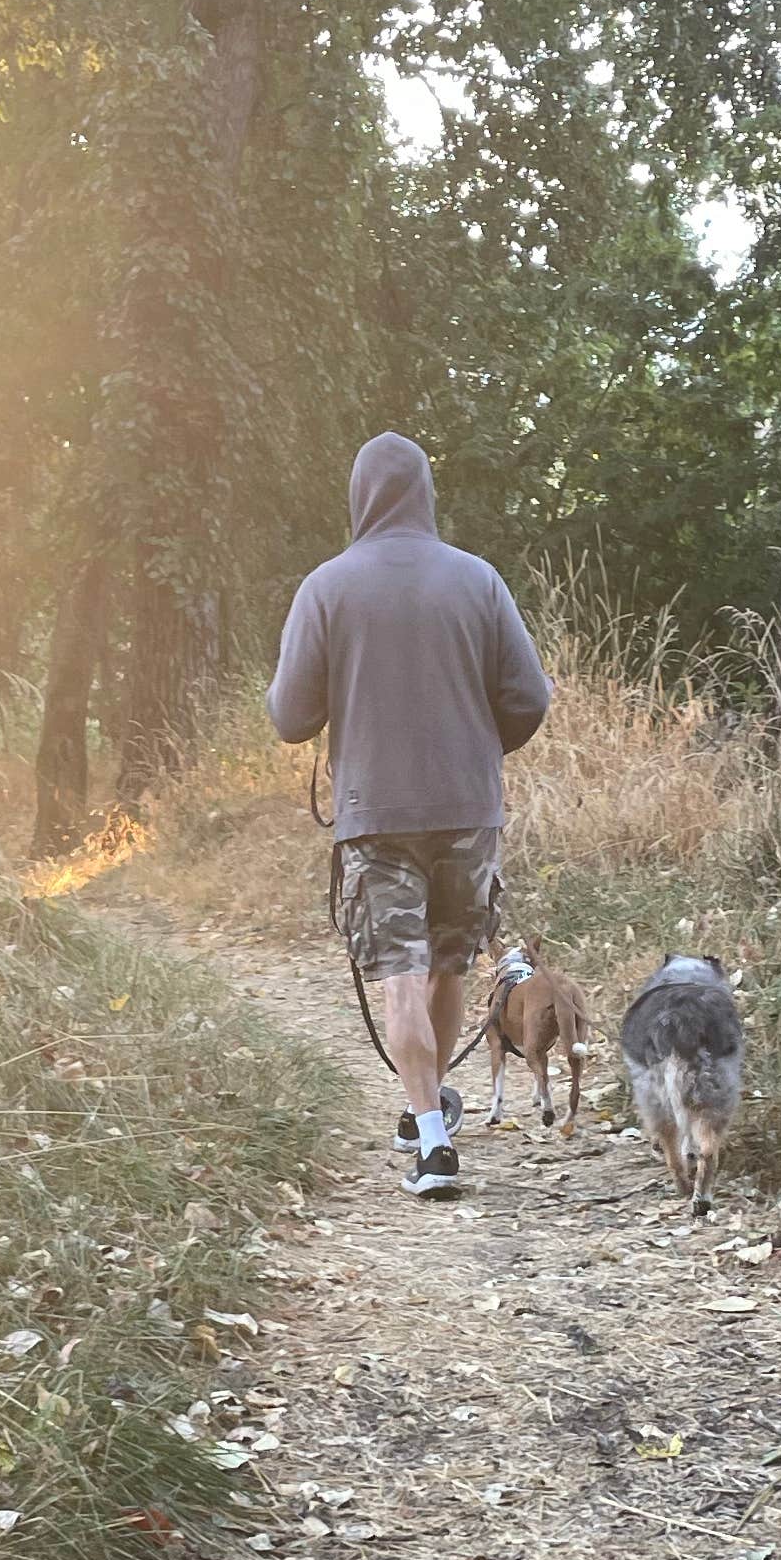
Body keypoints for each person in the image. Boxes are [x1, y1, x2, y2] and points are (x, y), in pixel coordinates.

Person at [267, 430, 549, 1196]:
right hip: (467, 809)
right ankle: (431, 1114)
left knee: (401, 972)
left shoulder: (327, 586)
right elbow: (531, 698)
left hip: (376, 813)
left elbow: (291, 716)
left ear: (359, 496)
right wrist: (482, 752)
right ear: (426, 492)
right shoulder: (479, 581)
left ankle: (429, 1140)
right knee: (449, 963)